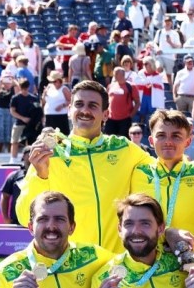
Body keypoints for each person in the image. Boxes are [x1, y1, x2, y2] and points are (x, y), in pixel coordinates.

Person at [16, 81, 155, 253]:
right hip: (70, 264)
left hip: (115, 264)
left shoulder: (123, 148)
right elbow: (24, 216)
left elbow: (161, 170)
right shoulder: (50, 154)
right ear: (69, 110)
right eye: (79, 104)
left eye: (93, 105)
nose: (85, 111)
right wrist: (41, 176)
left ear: (106, 114)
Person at [131, 109, 194, 251]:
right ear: (151, 141)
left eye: (176, 136)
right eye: (161, 135)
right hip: (148, 261)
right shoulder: (138, 172)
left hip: (190, 261)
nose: (168, 142)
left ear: (188, 141)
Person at [0, 148, 30, 224]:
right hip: (17, 221)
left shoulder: (44, 175)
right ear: (23, 156)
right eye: (29, 152)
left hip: (38, 220)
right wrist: (6, 218)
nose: (32, 155)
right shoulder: (14, 176)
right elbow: (5, 197)